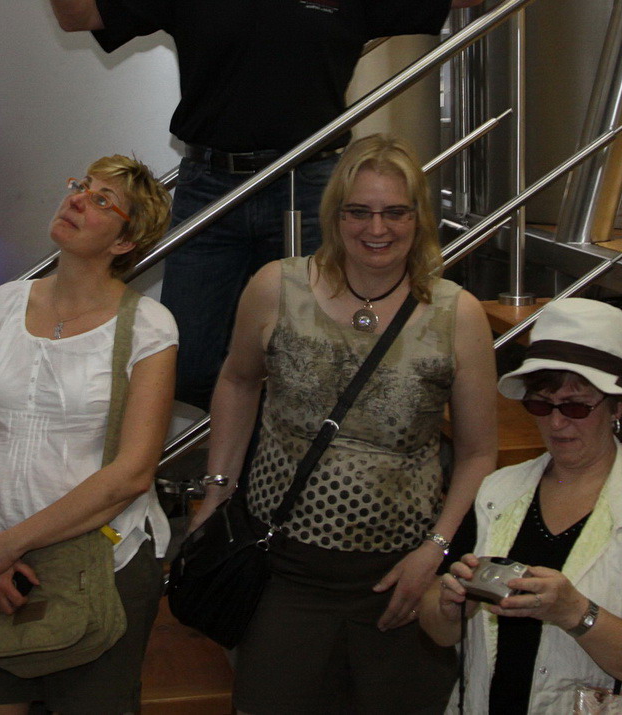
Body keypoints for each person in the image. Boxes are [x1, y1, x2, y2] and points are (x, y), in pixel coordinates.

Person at [36, 0, 510, 410]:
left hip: (312, 189)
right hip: (213, 189)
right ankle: (229, 461)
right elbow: (81, 13)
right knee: (192, 362)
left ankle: (278, 466)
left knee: (312, 364)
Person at [190, 134, 500, 715]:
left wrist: (434, 551)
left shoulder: (457, 313)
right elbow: (237, 382)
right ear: (334, 215)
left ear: (419, 218)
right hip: (283, 571)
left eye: (395, 212)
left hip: (399, 580)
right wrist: (216, 492)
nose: (376, 229)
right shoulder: (276, 287)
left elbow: (480, 452)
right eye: (359, 211)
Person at [0, 155, 176, 714]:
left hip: (102, 564)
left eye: (101, 200)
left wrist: (8, 545)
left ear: (124, 242)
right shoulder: (4, 304)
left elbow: (132, 474)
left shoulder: (148, 325)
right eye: (81, 186)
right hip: (0, 568)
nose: (76, 198)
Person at [421, 298, 622, 713]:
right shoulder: (498, 491)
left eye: (575, 406)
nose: (556, 422)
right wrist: (448, 607)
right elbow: (438, 628)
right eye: (541, 404)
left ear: (617, 406)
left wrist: (576, 613)